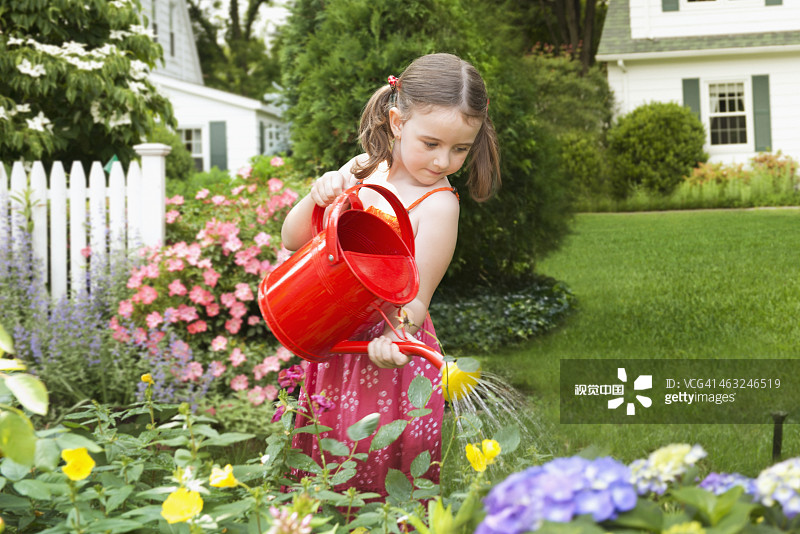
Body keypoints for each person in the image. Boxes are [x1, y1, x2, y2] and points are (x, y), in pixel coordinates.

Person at [280, 52, 501, 496]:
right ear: (397, 122)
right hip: (336, 337)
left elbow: (416, 300)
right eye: (432, 143)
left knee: (376, 474)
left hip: (385, 352)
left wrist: (396, 339)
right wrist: (317, 195)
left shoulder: (439, 206)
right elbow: (291, 239)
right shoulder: (362, 169)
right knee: (324, 457)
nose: (443, 161)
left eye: (460, 149)